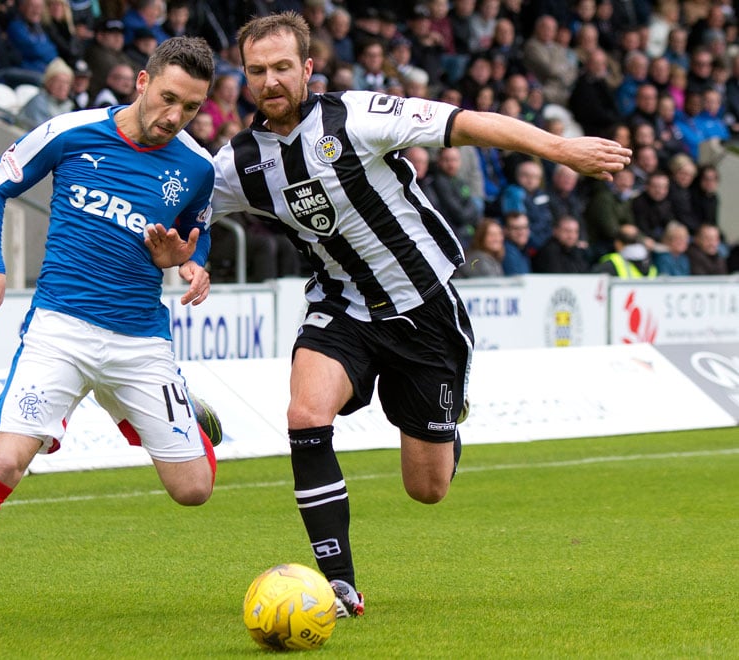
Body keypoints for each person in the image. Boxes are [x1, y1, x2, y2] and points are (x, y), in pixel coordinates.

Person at [209, 12, 631, 619]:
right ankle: (338, 585)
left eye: (282, 68)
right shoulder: (241, 162)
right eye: (257, 71)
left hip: (424, 310)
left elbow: (467, 123)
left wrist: (559, 148)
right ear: (244, 76)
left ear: (306, 69)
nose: (270, 81)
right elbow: (191, 210)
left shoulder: (357, 116)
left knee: (426, 489)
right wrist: (188, 257)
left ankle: (447, 412)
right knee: (304, 413)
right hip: (342, 304)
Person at [0, 35, 219, 634]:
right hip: (59, 330)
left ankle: (175, 415)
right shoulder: (69, 131)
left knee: (194, 492)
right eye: (167, 99)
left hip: (140, 343)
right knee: (6, 462)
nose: (174, 117)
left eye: (190, 108)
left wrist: (188, 262)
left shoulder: (195, 167)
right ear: (141, 81)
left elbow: (195, 237)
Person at [20, 57, 76, 126]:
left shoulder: (68, 106)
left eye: (67, 82)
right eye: (58, 81)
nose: (62, 87)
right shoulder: (38, 103)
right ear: (48, 83)